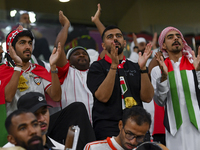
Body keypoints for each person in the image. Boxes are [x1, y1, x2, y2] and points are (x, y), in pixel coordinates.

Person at [87, 24, 154, 140]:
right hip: (107, 125)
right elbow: (103, 97)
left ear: (124, 43)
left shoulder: (135, 66)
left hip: (137, 125)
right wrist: (114, 66)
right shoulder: (97, 67)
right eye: (110, 37)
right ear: (103, 45)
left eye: (118, 36)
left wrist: (143, 69)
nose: (115, 39)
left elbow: (147, 97)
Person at [151, 26, 200, 150]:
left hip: (198, 125)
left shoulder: (194, 64)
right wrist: (164, 77)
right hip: (174, 129)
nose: (176, 38)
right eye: (170, 37)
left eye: (178, 36)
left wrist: (198, 72)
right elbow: (159, 101)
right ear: (163, 46)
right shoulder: (158, 70)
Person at [0, 26, 61, 116]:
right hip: (17, 124)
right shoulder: (3, 70)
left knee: (77, 107)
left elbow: (56, 97)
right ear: (11, 48)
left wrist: (53, 67)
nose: (28, 47)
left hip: (39, 122)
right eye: (22, 43)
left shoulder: (38, 69)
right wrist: (18, 66)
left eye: (30, 43)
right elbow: (8, 97)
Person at [54, 11, 94, 122]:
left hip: (96, 127)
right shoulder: (67, 71)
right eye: (76, 54)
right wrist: (66, 26)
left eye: (84, 54)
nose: (81, 54)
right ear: (68, 61)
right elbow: (58, 47)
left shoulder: (95, 72)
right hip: (72, 126)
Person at [84, 106, 151, 150]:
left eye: (139, 137)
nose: (133, 142)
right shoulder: (94, 148)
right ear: (120, 125)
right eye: (129, 134)